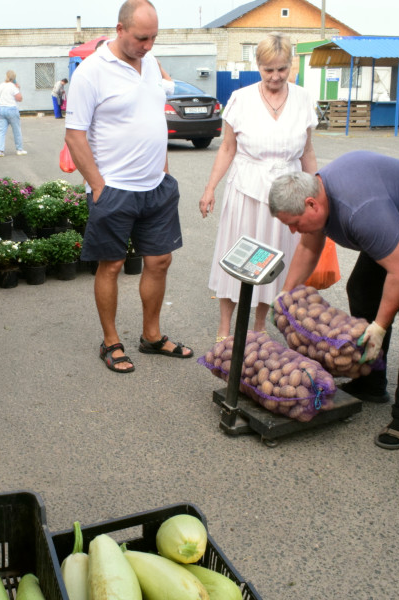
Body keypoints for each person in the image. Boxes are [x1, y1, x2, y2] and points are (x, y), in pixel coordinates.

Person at [267, 151, 399, 450]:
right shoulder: (318, 197)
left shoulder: (359, 212)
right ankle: (372, 382)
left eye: (295, 222)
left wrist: (379, 326)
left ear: (312, 204)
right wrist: (285, 294)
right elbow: (308, 248)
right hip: (393, 223)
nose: (293, 230)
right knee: (362, 289)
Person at [65, 0, 193, 374]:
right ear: (120, 29)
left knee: (160, 261)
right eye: (141, 38)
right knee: (112, 265)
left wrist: (164, 171)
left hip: (156, 188)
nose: (148, 46)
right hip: (115, 188)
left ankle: (151, 336)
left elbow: (153, 115)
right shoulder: (91, 73)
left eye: (153, 38)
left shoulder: (150, 62)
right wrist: (98, 186)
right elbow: (74, 135)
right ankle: (110, 341)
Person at [199, 33, 317, 342]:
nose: (275, 76)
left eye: (282, 69)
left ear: (291, 65)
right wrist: (210, 188)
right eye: (268, 70)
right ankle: (225, 328)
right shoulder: (241, 99)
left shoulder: (303, 98)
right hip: (247, 191)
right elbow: (227, 148)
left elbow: (307, 151)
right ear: (258, 66)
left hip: (288, 195)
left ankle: (260, 326)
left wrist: (319, 194)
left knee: (274, 258)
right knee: (238, 256)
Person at [0, 70, 27, 157]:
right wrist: (18, 89)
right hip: (12, 109)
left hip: (1, 109)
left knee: (1, 131)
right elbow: (19, 98)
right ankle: (19, 149)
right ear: (14, 78)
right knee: (16, 130)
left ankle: (0, 151)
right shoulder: (13, 86)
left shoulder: (1, 85)